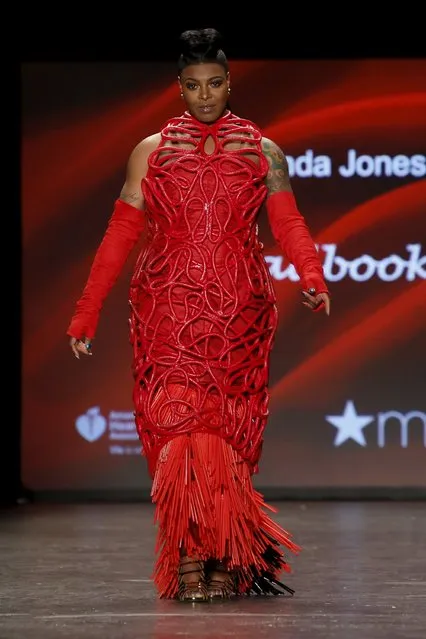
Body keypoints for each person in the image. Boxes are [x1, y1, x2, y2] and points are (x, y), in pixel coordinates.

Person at [67, 27, 331, 602]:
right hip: (166, 307)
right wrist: (86, 314)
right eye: (193, 86)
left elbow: (287, 223)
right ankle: (189, 557)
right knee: (176, 430)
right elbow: (121, 232)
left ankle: (223, 556)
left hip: (240, 311)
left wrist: (311, 275)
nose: (205, 95)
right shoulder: (152, 151)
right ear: (178, 88)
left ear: (230, 83)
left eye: (214, 84)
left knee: (224, 437)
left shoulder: (263, 152)